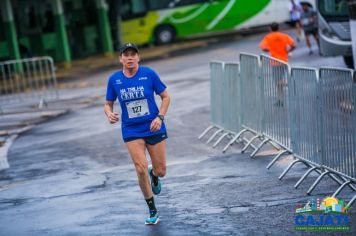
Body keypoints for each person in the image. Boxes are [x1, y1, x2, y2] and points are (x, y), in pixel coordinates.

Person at [104, 43, 170, 225]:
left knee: (161, 170)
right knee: (140, 168)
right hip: (131, 129)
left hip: (154, 126)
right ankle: (152, 210)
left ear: (138, 58)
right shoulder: (114, 79)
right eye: (126, 55)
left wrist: (160, 117)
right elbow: (108, 103)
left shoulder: (149, 74)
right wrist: (109, 113)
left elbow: (166, 96)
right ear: (121, 59)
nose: (130, 58)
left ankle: (154, 175)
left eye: (133, 54)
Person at [259, 23, 296, 106]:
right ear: (278, 28)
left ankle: (289, 84)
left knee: (277, 82)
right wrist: (288, 51)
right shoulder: (284, 36)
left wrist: (270, 50)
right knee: (278, 83)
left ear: (270, 28)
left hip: (274, 62)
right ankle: (280, 100)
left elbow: (263, 47)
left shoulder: (268, 37)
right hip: (284, 61)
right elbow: (294, 45)